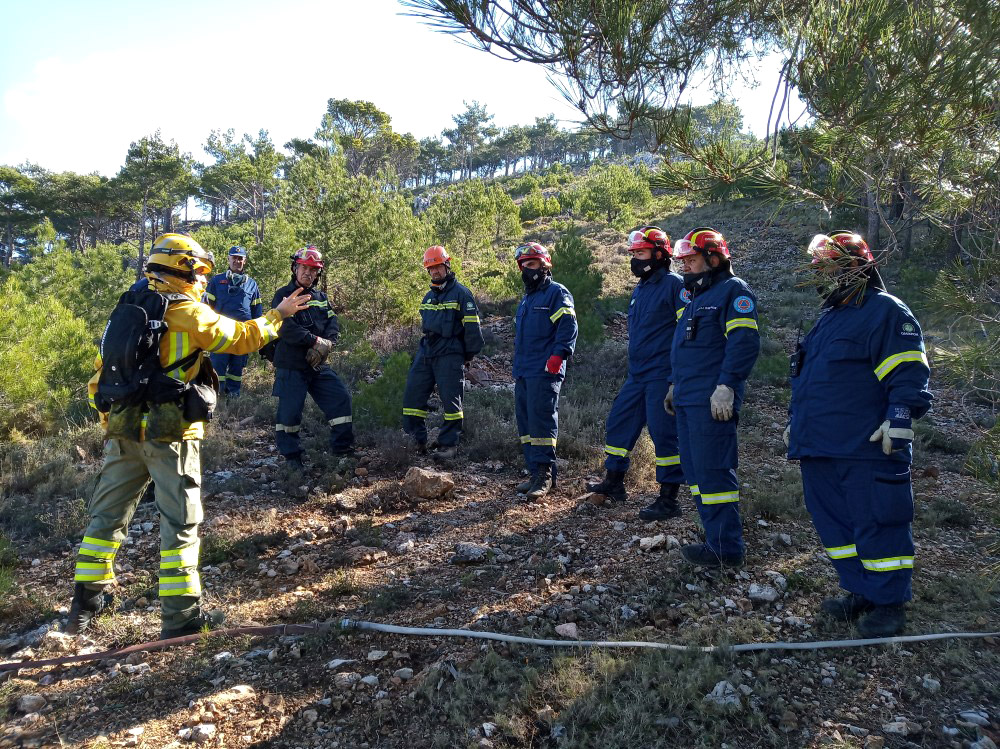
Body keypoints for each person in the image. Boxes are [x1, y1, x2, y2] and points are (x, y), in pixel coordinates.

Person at [70, 233, 309, 639]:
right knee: (180, 522)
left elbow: (101, 371)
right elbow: (240, 339)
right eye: (199, 271)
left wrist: (110, 422)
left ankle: (85, 606)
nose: (202, 279)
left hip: (124, 427)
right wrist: (279, 314)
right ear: (185, 269)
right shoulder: (187, 312)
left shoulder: (128, 305)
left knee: (106, 516)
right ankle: (181, 620)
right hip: (171, 431)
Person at [787, 231, 931, 637]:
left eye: (828, 268)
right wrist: (793, 423)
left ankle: (889, 603)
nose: (821, 275)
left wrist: (900, 415)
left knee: (878, 521)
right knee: (834, 524)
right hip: (819, 445)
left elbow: (908, 370)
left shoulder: (885, 311)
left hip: (865, 445)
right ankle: (859, 589)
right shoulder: (829, 318)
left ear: (856, 268)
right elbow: (810, 379)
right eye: (818, 268)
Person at [668, 227, 760, 567]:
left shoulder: (733, 291)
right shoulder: (696, 299)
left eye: (691, 260)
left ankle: (726, 548)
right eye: (683, 261)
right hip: (689, 398)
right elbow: (685, 350)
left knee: (715, 473)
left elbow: (744, 343)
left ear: (714, 258)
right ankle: (714, 540)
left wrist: (727, 385)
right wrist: (673, 384)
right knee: (695, 473)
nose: (685, 267)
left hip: (712, 400)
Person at [587, 227, 688, 519]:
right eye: (633, 254)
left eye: (640, 253)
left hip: (662, 374)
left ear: (659, 254)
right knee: (619, 423)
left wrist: (674, 378)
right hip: (638, 374)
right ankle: (614, 483)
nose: (635, 260)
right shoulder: (641, 288)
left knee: (664, 435)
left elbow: (685, 333)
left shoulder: (675, 285)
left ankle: (669, 499)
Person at [271, 246, 355, 468]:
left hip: (317, 363)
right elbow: (284, 328)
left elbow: (332, 322)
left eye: (313, 270)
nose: (308, 273)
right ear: (295, 267)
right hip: (291, 364)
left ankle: (342, 449)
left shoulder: (320, 297)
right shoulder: (283, 295)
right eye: (304, 268)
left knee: (340, 398)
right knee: (289, 412)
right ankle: (292, 458)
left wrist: (327, 343)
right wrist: (314, 341)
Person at [402, 245, 484, 459]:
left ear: (447, 265)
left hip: (450, 352)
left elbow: (473, 330)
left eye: (438, 266)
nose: (435, 271)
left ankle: (448, 445)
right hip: (426, 351)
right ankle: (415, 441)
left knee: (451, 400)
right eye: (431, 268)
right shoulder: (428, 297)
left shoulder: (462, 294)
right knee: (413, 396)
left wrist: (467, 356)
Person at [512, 242, 578, 499]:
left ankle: (545, 476)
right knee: (527, 424)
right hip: (525, 371)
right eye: (524, 266)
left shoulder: (556, 293)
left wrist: (558, 354)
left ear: (544, 265)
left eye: (531, 264)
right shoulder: (527, 299)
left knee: (542, 421)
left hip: (545, 369)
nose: (527, 270)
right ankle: (534, 473)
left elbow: (568, 325)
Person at [204, 246, 262, 398]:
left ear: (244, 261)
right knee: (217, 366)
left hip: (242, 334)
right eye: (234, 257)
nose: (237, 261)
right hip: (220, 333)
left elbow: (257, 311)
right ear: (228, 259)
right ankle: (215, 397)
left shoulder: (252, 284)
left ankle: (233, 396)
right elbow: (206, 308)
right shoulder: (216, 281)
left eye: (240, 258)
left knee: (237, 368)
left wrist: (256, 334)